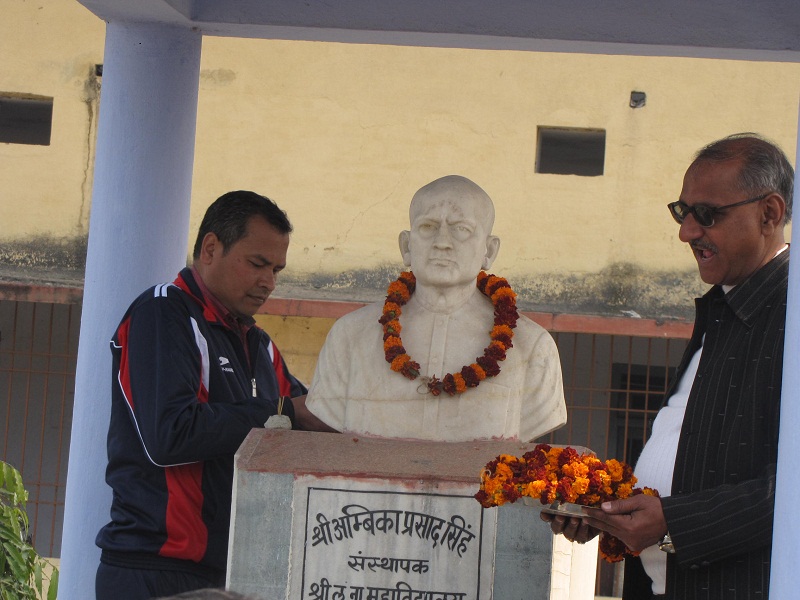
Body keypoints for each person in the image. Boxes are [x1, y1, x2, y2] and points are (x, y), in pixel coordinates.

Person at [543, 133, 793, 599]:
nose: (687, 232)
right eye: (683, 212)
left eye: (707, 215)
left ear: (770, 214)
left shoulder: (793, 314)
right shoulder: (725, 308)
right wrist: (611, 511)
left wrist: (673, 523)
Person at [96, 191, 317, 600]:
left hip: (231, 572)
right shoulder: (163, 313)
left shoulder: (260, 346)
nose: (268, 281)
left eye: (277, 269)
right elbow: (170, 435)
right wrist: (280, 412)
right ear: (211, 248)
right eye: (257, 264)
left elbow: (309, 420)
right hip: (152, 569)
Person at [303, 175, 566, 442]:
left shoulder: (532, 347)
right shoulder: (349, 335)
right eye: (428, 226)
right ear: (406, 245)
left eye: (461, 229)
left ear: (489, 250)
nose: (442, 241)